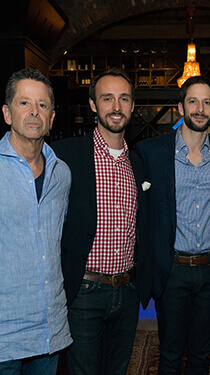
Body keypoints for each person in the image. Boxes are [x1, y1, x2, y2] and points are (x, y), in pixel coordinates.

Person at [52, 68, 152, 375]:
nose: (116, 107)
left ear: (133, 105)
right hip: (84, 291)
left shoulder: (137, 163)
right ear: (94, 105)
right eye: (107, 98)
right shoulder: (66, 154)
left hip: (126, 292)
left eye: (124, 98)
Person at [136, 76, 210, 374]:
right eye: (193, 101)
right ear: (180, 107)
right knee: (170, 354)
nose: (200, 108)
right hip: (173, 270)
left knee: (202, 354)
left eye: (207, 102)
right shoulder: (151, 152)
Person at [0, 69, 71, 374]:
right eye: (24, 103)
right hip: (4, 334)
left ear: (52, 117)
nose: (33, 112)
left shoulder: (62, 174)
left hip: (49, 329)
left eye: (42, 105)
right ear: (7, 113)